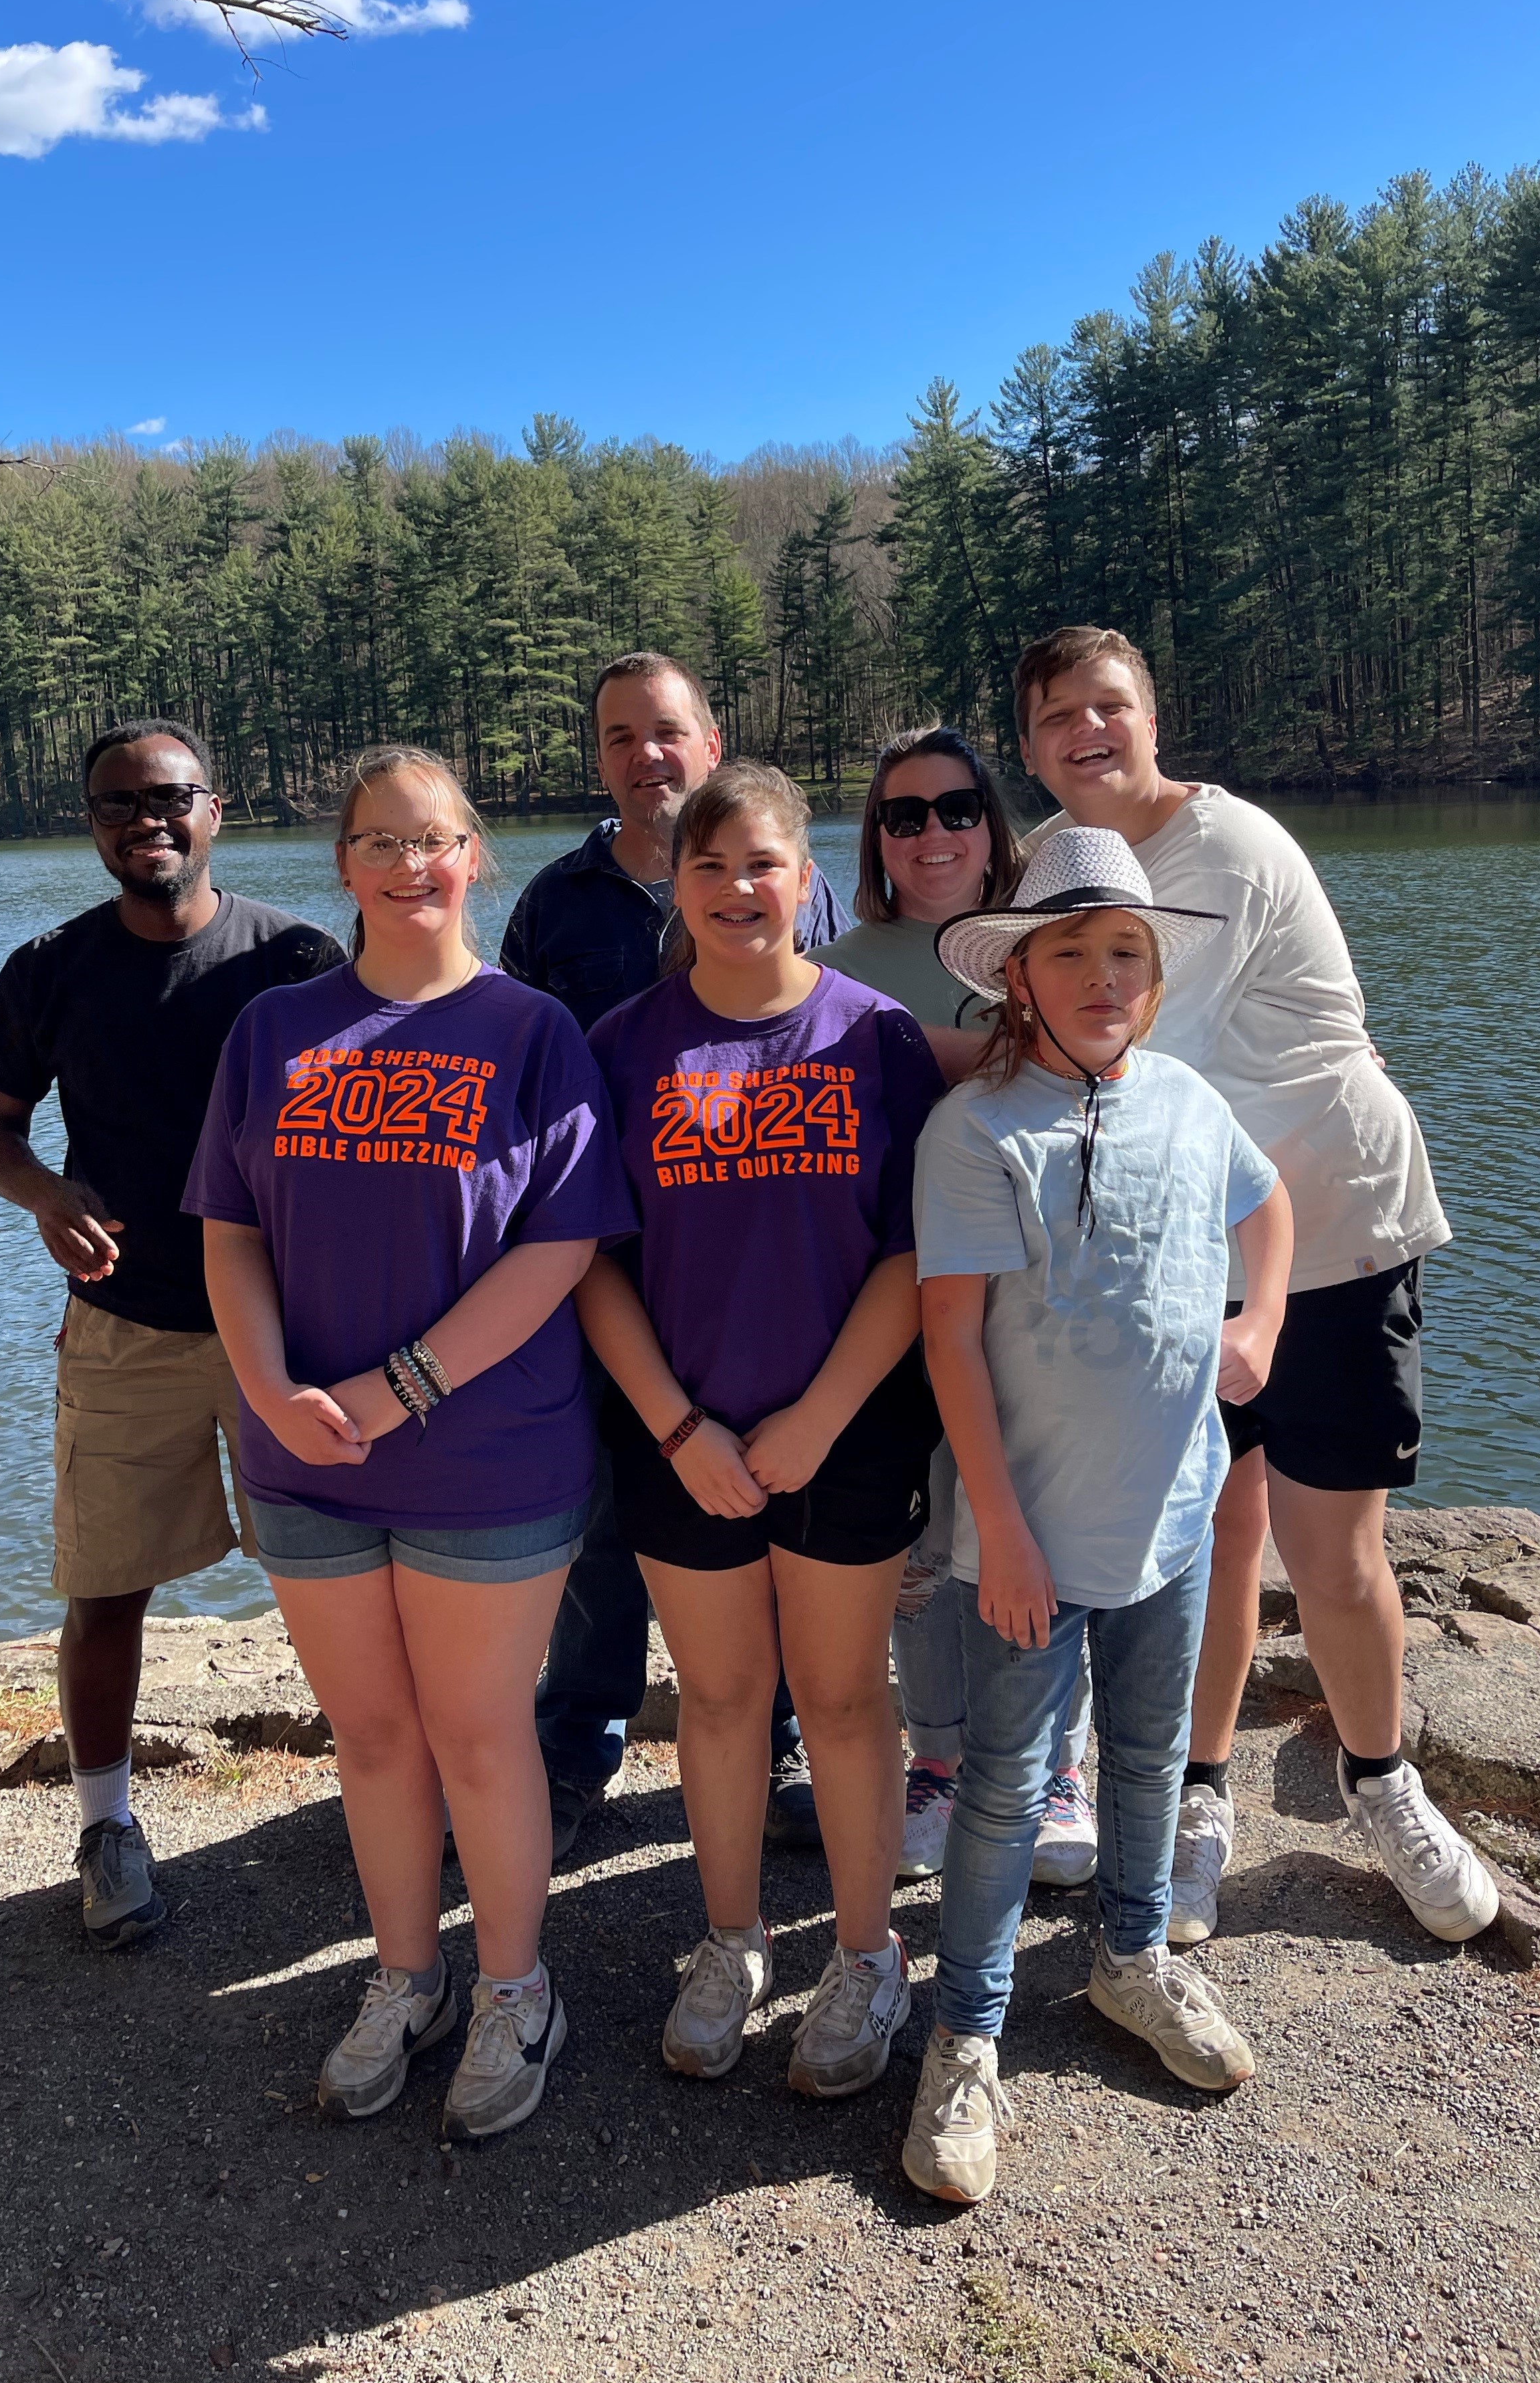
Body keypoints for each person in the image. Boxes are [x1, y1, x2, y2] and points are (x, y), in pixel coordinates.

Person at [1013, 626, 1497, 1949]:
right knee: (1213, 1537)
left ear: (1153, 721)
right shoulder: (1076, 872)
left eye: (1109, 705)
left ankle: (1380, 1779)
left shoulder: (1219, 849)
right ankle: (1198, 1797)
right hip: (1190, 1264)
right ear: (1032, 748)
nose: (1088, 731)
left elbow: (1108, 1042)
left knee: (1336, 1550)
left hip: (1334, 1234)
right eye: (1059, 717)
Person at [185, 744, 633, 2142]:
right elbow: (231, 1228)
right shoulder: (274, 1031)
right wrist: (266, 1387)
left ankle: (516, 1989)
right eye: (377, 840)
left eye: (433, 839)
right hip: (302, 1455)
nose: (407, 864)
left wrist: (403, 1385)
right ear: (344, 865)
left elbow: (562, 1246)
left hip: (487, 1455)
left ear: (474, 855)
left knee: (483, 1737)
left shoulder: (533, 1031)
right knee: (374, 1738)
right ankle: (405, 1976)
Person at [901, 827, 1293, 2206]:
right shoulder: (975, 1131)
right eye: (1070, 952)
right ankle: (966, 2030)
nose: (1103, 975)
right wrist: (998, 1533)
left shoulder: (1187, 1100)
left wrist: (1264, 1317)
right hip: (1028, 1539)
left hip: (1173, 1521)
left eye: (1126, 951)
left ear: (1154, 972)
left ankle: (1133, 1959)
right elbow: (951, 1345)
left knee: (1144, 1759)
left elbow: (1270, 1202)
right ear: (1020, 977)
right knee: (1004, 1789)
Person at [576, 762, 944, 2098]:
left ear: (811, 878)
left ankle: (864, 1955)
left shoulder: (875, 1037)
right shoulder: (625, 1045)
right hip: (683, 1444)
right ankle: (731, 1946)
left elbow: (913, 1255)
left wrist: (818, 1419)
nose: (741, 890)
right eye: (711, 866)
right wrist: (681, 1430)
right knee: (722, 1702)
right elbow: (592, 1261)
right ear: (675, 884)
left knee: (845, 1703)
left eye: (766, 864)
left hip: (844, 1433)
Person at [0, 718, 342, 1950]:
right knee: (104, 1590)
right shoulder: (50, 968)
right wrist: (46, 1196)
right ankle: (107, 1827)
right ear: (95, 826)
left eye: (170, 796)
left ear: (214, 810)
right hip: (125, 1328)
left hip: (288, 1330)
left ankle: (390, 1784)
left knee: (340, 1583)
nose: (147, 820)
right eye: (120, 804)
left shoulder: (295, 959)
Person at [502, 652, 851, 1857]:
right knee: (604, 1532)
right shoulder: (557, 903)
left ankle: (783, 1749)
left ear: (711, 741)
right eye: (618, 738)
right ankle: (573, 1753)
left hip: (766, 1283)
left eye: (665, 732)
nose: (644, 756)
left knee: (787, 1524)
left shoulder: (797, 886)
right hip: (611, 1284)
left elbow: (841, 1032)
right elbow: (516, 1079)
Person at [822, 730, 1096, 1891]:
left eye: (954, 809)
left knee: (1041, 1520)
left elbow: (1114, 1067)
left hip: (1036, 1300)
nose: (931, 834)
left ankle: (1054, 1764)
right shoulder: (836, 967)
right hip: (887, 1298)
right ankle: (937, 1759)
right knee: (922, 1550)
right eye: (901, 816)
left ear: (994, 823)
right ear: (876, 840)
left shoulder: (1052, 949)